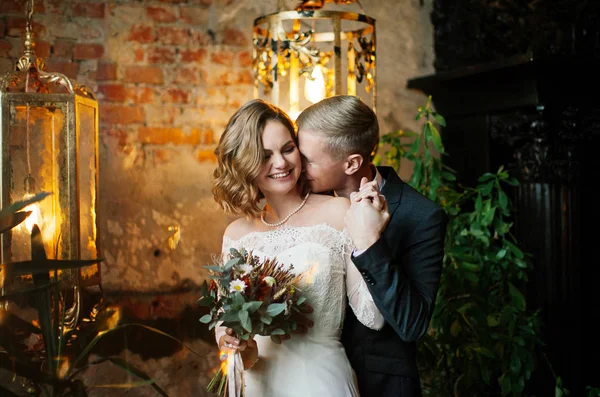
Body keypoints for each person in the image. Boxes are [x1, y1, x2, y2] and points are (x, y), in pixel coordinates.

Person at [211, 98, 387, 397]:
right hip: (258, 381)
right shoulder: (236, 234)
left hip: (320, 380)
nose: (280, 163)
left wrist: (369, 237)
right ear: (244, 162)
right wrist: (229, 339)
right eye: (265, 155)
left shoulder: (338, 212)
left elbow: (374, 317)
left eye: (288, 148)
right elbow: (224, 322)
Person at [296, 95, 448, 397]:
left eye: (308, 161)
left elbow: (412, 323)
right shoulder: (300, 203)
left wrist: (368, 242)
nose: (298, 168)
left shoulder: (421, 216)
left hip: (380, 386)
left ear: (352, 163)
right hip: (311, 378)